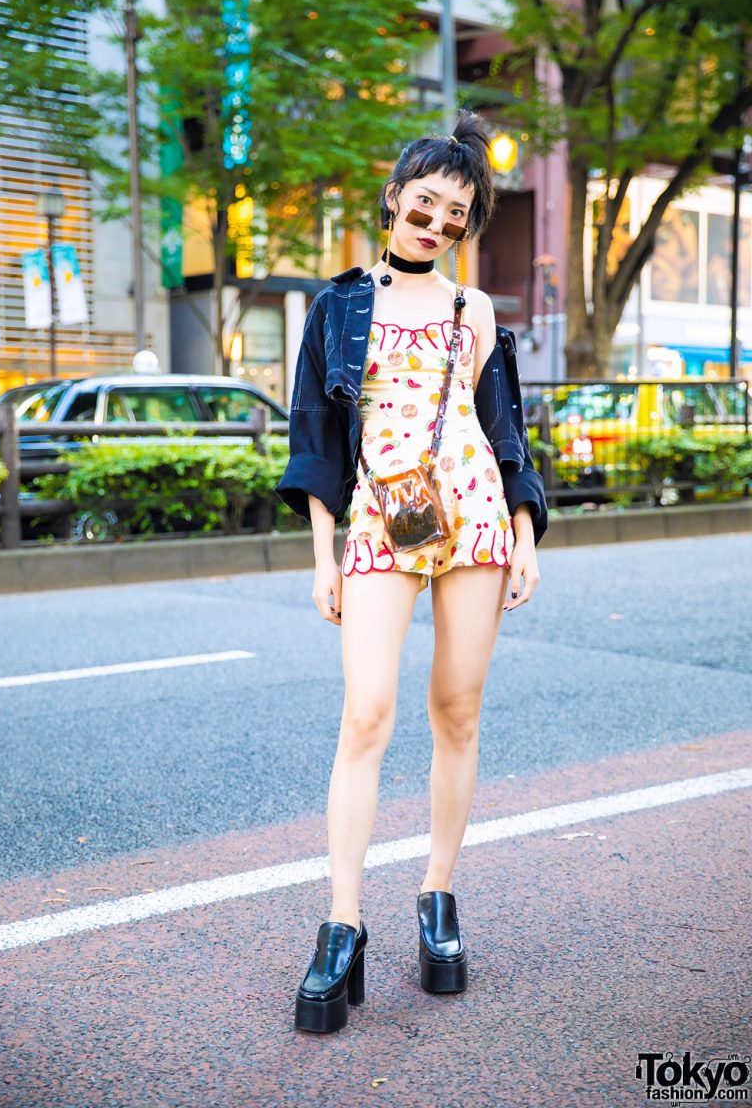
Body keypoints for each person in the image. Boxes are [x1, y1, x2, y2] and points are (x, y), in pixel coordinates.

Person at [275, 109, 548, 1034]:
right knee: (366, 714)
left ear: (467, 227)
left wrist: (525, 530)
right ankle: (341, 923)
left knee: (457, 711)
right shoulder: (339, 305)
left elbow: (502, 430)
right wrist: (323, 560)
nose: (435, 224)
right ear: (393, 199)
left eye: (455, 215)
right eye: (423, 205)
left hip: (471, 515)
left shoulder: (475, 311)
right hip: (380, 522)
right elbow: (315, 433)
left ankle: (437, 899)